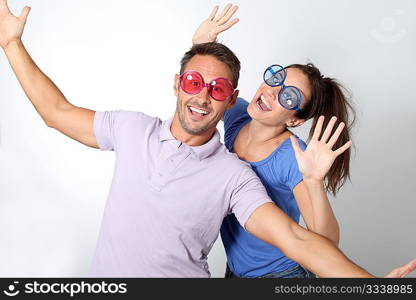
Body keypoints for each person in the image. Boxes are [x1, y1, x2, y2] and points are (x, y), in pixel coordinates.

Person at [1, 0, 415, 278]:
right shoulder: (133, 127)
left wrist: (370, 286)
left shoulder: (237, 175)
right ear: (177, 85)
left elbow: (300, 241)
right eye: (194, 83)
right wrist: (11, 43)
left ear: (231, 99)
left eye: (217, 90)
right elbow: (56, 112)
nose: (202, 95)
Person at [192, 4, 351, 278]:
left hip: (279, 275)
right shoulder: (237, 115)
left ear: (295, 120)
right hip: (237, 270)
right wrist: (199, 45)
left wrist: (313, 182)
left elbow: (327, 244)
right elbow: (210, 90)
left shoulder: (292, 157)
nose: (271, 92)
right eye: (276, 79)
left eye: (288, 97)